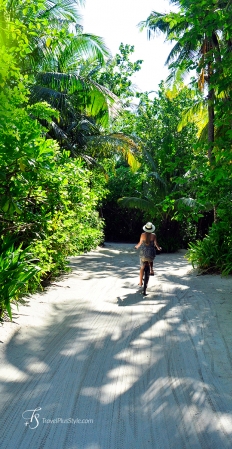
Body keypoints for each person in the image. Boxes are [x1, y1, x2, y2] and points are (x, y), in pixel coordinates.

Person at [135, 222, 162, 287]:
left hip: (143, 254)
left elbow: (140, 243)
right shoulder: (154, 235)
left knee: (142, 268)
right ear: (151, 229)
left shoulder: (142, 235)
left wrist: (136, 247)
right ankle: (151, 270)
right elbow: (156, 244)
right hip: (151, 254)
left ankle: (140, 282)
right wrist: (159, 248)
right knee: (151, 259)